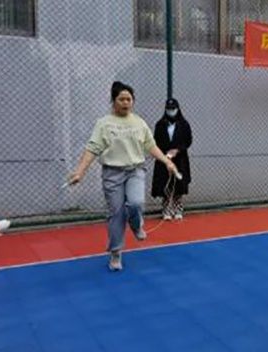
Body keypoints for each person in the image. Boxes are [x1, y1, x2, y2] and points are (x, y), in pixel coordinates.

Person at [68, 81, 178, 271]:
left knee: (135, 203)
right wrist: (80, 171)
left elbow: (150, 146)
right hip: (112, 173)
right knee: (116, 214)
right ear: (114, 101)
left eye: (129, 99)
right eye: (122, 99)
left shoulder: (139, 122)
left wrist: (167, 161)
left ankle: (136, 226)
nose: (126, 103)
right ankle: (116, 253)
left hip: (135, 170)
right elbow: (92, 148)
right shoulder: (104, 124)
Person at [151, 98, 193, 220]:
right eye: (169, 109)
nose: (171, 111)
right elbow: (155, 141)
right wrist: (164, 153)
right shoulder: (160, 124)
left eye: (173, 109)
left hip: (180, 159)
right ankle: (166, 209)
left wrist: (177, 150)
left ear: (178, 109)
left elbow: (188, 141)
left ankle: (178, 208)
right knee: (165, 184)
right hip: (164, 158)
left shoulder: (184, 124)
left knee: (179, 184)